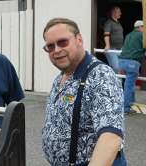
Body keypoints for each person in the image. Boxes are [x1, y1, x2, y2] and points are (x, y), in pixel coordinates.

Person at [42, 18, 126, 165]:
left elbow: (111, 137)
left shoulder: (100, 75)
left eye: (62, 42)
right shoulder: (60, 77)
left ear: (79, 40)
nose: (56, 50)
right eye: (50, 46)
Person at [119, 20, 146, 115]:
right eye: (144, 27)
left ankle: (130, 103)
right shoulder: (142, 35)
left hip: (122, 61)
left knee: (128, 84)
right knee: (129, 86)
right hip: (132, 63)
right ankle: (126, 108)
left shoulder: (128, 35)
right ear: (140, 27)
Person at [103, 6, 123, 73]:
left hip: (120, 49)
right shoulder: (109, 22)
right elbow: (106, 34)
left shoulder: (118, 23)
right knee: (116, 67)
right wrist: (107, 45)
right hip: (112, 49)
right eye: (119, 12)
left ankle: (119, 83)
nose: (120, 13)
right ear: (114, 13)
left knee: (121, 68)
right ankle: (114, 82)